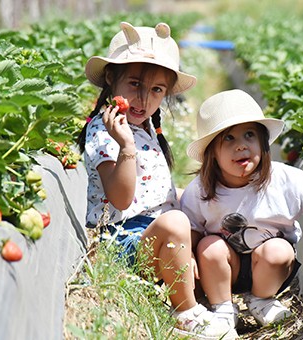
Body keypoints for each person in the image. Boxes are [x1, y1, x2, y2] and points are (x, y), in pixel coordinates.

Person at [76, 21, 238, 340]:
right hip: (120, 242)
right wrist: (126, 147)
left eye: (156, 90)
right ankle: (186, 314)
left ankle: (219, 301)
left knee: (195, 217)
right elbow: (122, 200)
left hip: (148, 237)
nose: (143, 99)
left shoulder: (146, 128)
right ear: (111, 78)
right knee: (177, 221)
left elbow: (156, 192)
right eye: (134, 83)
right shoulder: (106, 133)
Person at [180, 89, 303, 331]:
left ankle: (261, 301)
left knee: (278, 250)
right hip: (224, 270)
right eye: (229, 138)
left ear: (262, 142)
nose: (241, 146)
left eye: (249, 135)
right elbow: (192, 230)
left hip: (271, 269)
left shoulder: (283, 179)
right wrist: (191, 258)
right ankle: (223, 308)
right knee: (208, 247)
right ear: (212, 153)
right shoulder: (202, 190)